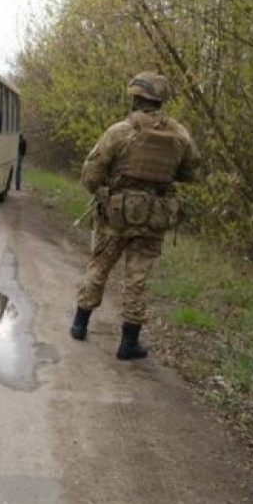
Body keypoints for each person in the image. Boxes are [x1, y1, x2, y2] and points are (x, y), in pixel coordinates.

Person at [69, 71, 200, 360]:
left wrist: (105, 192)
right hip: (154, 217)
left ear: (135, 97)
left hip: (115, 217)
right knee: (137, 279)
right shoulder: (180, 135)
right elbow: (190, 174)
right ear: (160, 100)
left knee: (99, 268)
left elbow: (90, 175)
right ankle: (128, 343)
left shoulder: (119, 131)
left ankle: (80, 324)